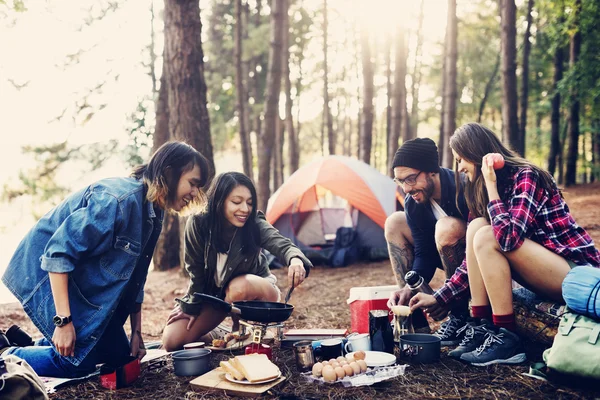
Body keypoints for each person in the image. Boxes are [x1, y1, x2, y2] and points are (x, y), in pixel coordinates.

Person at [1, 141, 210, 378]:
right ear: (170, 172)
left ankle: (29, 343)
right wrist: (63, 322)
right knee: (76, 363)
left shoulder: (154, 212)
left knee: (121, 359)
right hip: (45, 273)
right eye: (192, 184)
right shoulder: (116, 200)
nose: (195, 193)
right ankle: (5, 354)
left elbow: (136, 280)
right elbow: (57, 254)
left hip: (78, 283)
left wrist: (137, 334)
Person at [410, 122, 600, 365]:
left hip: (577, 274)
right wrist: (441, 297)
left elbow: (508, 240)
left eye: (460, 159)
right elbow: (473, 258)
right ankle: (483, 327)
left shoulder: (526, 176)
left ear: (474, 153)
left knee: (488, 235)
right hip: (546, 272)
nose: (458, 168)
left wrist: (491, 186)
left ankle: (507, 338)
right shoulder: (480, 189)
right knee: (478, 227)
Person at [162, 172, 313, 351]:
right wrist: (190, 305)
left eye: (249, 203)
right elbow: (195, 272)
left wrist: (295, 259)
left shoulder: (254, 222)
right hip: (218, 299)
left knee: (238, 288)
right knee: (172, 341)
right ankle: (218, 332)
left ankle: (241, 329)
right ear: (219, 201)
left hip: (257, 292)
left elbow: (281, 243)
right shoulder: (198, 223)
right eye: (236, 202)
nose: (245, 209)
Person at [385, 137, 471, 344]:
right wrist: (408, 287)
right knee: (394, 222)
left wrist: (446, 297)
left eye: (411, 179)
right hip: (445, 256)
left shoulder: (464, 189)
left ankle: (461, 317)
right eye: (400, 181)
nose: (406, 188)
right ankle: (413, 318)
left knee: (447, 227)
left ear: (432, 171)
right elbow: (423, 253)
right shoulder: (414, 203)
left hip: (478, 265)